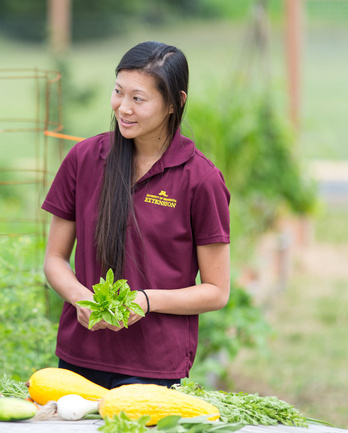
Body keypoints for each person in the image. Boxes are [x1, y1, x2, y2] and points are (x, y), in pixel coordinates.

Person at [42, 41, 230, 389]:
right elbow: (54, 258)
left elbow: (216, 291)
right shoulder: (83, 159)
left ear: (175, 103)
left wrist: (146, 301)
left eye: (138, 99)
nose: (123, 108)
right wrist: (79, 296)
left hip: (153, 364)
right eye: (118, 92)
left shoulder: (200, 179)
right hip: (79, 354)